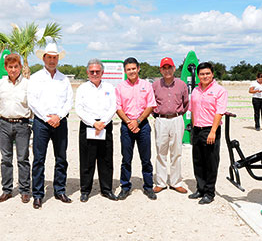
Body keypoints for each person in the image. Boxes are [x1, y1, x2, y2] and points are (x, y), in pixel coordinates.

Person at [27, 42, 73, 209]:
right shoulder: (35, 78)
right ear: (44, 58)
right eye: (49, 57)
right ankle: (38, 194)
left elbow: (69, 101)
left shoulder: (64, 79)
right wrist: (47, 118)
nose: (52, 60)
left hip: (61, 122)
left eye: (55, 57)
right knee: (39, 159)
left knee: (61, 158)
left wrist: (58, 116)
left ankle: (59, 190)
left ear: (58, 59)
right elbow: (32, 101)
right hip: (41, 123)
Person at [75, 59, 118, 202]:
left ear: (102, 72)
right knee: (87, 160)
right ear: (87, 73)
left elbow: (113, 107)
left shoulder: (109, 88)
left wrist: (103, 122)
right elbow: (79, 109)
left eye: (97, 71)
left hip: (105, 125)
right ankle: (85, 190)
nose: (94, 74)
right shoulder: (82, 89)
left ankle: (106, 189)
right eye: (92, 71)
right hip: (88, 126)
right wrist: (93, 123)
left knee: (106, 159)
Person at [115, 57, 157, 200]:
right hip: (126, 126)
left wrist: (137, 122)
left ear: (138, 68)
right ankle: (125, 187)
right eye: (128, 69)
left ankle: (148, 187)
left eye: (134, 68)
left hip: (143, 125)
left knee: (146, 158)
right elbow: (118, 107)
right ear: (125, 71)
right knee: (126, 159)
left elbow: (150, 105)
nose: (131, 71)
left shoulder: (146, 85)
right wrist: (129, 122)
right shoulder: (120, 87)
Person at [188, 62, 227, 204]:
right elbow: (192, 110)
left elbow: (219, 112)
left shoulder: (219, 90)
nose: (204, 76)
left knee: (211, 162)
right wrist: (193, 129)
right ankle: (200, 188)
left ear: (212, 74)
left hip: (211, 129)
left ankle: (209, 192)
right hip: (197, 129)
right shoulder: (195, 91)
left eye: (207, 73)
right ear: (198, 75)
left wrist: (212, 132)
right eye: (202, 74)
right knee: (198, 161)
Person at [0, 53, 32, 204]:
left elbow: (31, 105)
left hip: (22, 124)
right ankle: (7, 190)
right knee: (6, 159)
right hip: (4, 123)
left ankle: (24, 190)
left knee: (23, 158)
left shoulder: (27, 84)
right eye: (10, 67)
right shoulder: (0, 84)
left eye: (16, 67)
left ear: (20, 67)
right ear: (6, 68)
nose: (13, 70)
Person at [152, 57, 189, 194]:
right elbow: (151, 103)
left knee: (176, 152)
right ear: (161, 70)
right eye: (164, 68)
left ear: (174, 68)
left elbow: (186, 103)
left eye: (169, 68)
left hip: (176, 119)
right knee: (161, 151)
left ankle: (175, 182)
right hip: (161, 120)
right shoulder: (155, 85)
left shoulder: (181, 85)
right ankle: (160, 182)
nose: (167, 71)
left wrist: (178, 115)